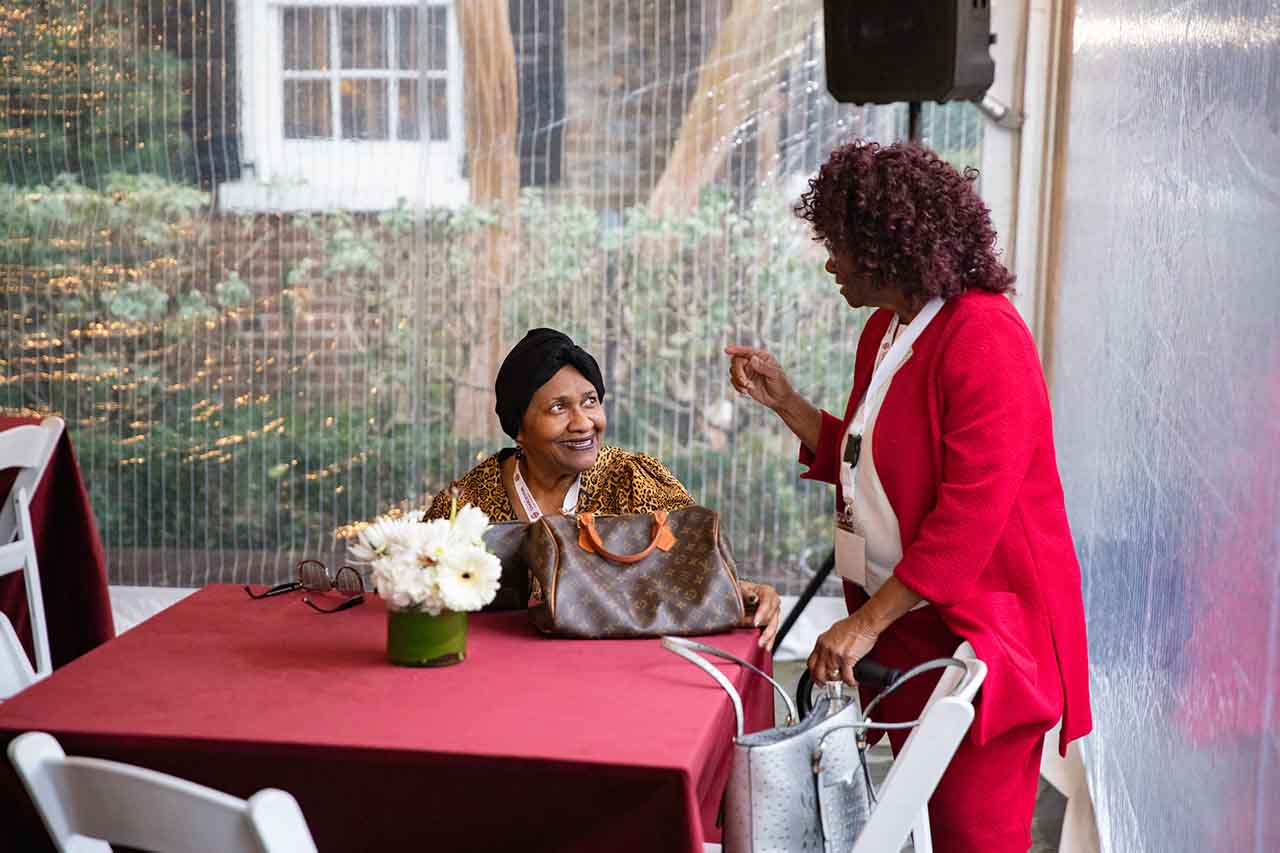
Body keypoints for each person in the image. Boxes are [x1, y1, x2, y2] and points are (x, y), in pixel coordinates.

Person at [727, 141, 1091, 853]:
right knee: (917, 822)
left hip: (985, 634)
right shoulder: (887, 328)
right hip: (916, 627)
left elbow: (969, 515)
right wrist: (789, 404)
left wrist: (861, 627)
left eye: (840, 246)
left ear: (889, 249)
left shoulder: (984, 334)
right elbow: (876, 466)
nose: (830, 262)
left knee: (974, 835)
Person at [425, 327, 781, 648]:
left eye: (590, 402)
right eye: (558, 407)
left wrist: (744, 588)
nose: (583, 423)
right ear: (518, 427)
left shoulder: (632, 477)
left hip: (617, 672)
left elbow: (692, 560)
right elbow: (419, 587)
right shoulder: (467, 503)